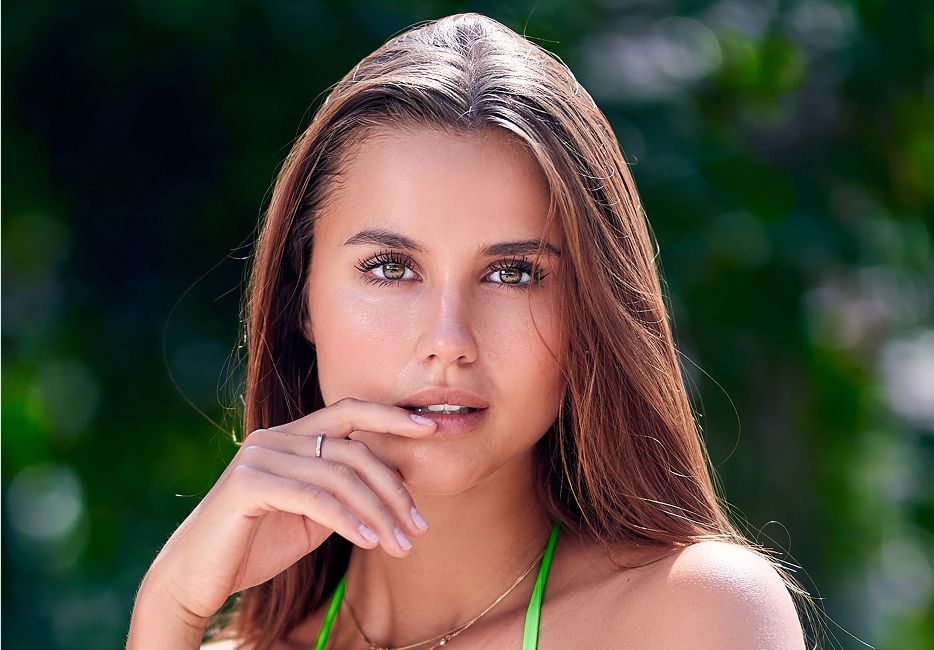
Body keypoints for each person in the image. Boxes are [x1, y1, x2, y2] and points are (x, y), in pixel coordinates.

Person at [127, 12, 814, 650]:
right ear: (300, 296)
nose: (449, 339)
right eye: (391, 268)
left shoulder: (692, 613)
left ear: (586, 307)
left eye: (512, 274)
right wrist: (169, 605)